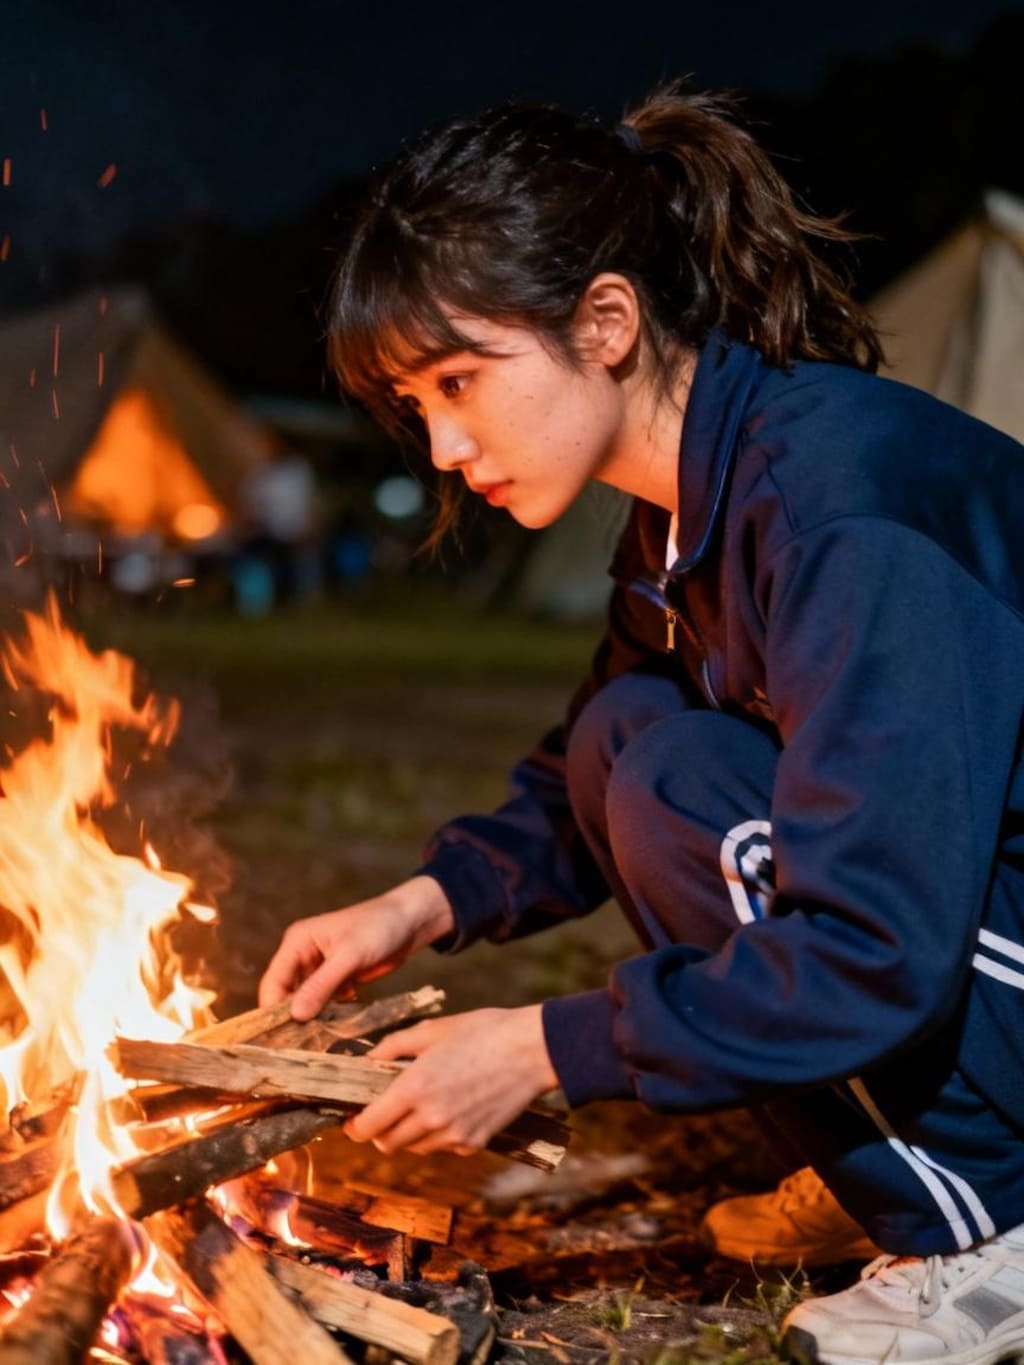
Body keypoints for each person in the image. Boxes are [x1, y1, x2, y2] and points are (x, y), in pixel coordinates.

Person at [258, 86, 1024, 1365]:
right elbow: (581, 776)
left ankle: (989, 1226)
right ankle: (896, 1159)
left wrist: (546, 1047)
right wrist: (421, 903)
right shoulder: (688, 506)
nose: (443, 445)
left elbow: (877, 942)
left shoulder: (839, 513)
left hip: (966, 932)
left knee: (677, 775)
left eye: (461, 379)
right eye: (414, 401)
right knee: (636, 737)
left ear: (606, 321)